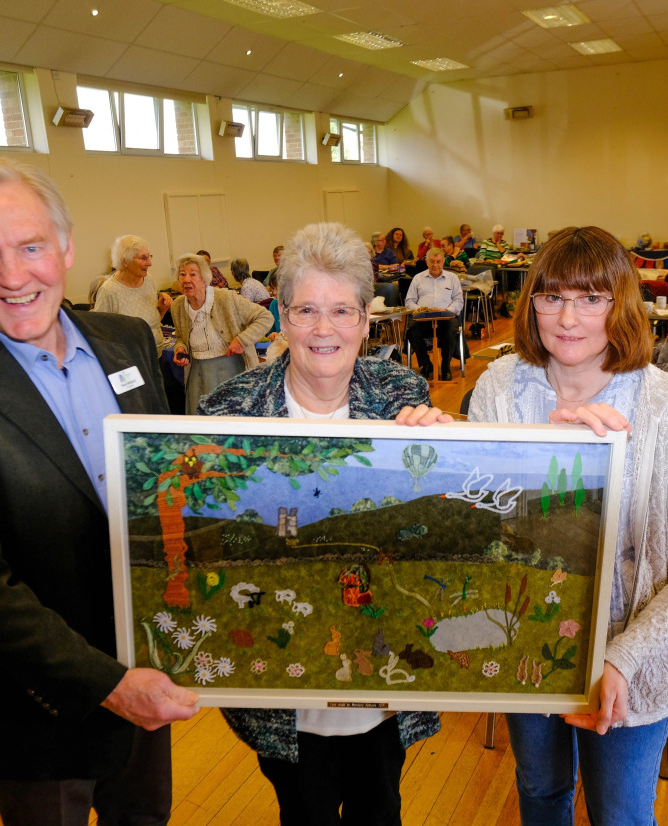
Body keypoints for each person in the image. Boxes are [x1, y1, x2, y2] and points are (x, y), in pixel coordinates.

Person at [0, 155, 200, 825]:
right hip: (38, 705)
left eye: (30, 247)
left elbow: (165, 480)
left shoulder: (128, 341)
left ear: (66, 247)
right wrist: (108, 684)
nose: (14, 276)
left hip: (149, 663)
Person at [467, 225, 668, 826]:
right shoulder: (499, 389)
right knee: (541, 791)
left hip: (631, 658)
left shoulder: (664, 404)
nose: (568, 318)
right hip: (525, 645)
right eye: (552, 296)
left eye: (591, 298)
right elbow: (476, 525)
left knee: (621, 814)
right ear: (531, 302)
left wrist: (622, 658)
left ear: (621, 305)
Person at [197, 221, 444, 826]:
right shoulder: (229, 411)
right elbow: (211, 550)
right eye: (306, 310)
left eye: (341, 311)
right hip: (284, 693)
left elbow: (430, 534)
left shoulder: (403, 395)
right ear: (280, 317)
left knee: (379, 811)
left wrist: (441, 457)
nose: (324, 329)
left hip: (384, 690)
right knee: (303, 813)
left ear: (365, 320)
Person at [171, 252, 273, 413]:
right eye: (182, 274)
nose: (186, 279)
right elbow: (180, 337)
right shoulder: (177, 306)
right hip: (197, 373)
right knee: (201, 420)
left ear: (204, 279)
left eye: (193, 274)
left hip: (229, 369)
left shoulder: (225, 298)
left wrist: (242, 340)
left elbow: (265, 317)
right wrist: (180, 348)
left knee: (229, 419)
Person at [92, 234, 173, 351]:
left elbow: (151, 323)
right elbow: (100, 334)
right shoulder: (108, 291)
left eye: (149, 257)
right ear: (125, 261)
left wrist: (162, 309)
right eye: (143, 258)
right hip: (129, 357)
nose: (149, 263)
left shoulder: (148, 279)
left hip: (155, 353)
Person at [405, 246, 464, 381]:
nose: (435, 265)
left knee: (450, 331)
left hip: (446, 317)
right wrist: (420, 310)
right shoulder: (418, 278)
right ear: (427, 262)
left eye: (438, 261)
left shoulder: (452, 278)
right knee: (412, 332)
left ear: (443, 262)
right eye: (432, 261)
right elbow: (409, 301)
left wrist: (447, 311)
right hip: (423, 317)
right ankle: (426, 365)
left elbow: (459, 301)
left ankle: (445, 367)